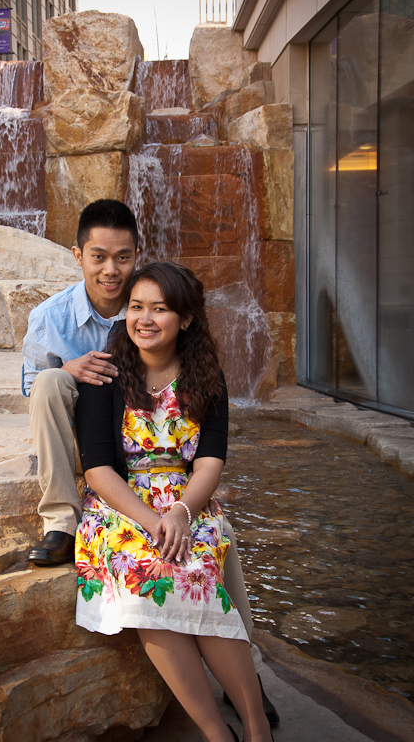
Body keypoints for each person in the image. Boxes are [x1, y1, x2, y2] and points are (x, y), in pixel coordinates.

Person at [74, 262, 274, 742]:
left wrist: (181, 513)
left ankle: (257, 728)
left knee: (196, 571)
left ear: (185, 319)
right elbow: (98, 470)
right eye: (136, 307)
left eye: (159, 309)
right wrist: (154, 521)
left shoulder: (206, 377)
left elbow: (209, 463)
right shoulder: (104, 375)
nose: (144, 319)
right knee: (148, 578)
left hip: (187, 502)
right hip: (120, 507)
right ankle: (217, 733)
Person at [22, 199, 138, 565]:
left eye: (123, 258)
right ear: (78, 256)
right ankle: (61, 524)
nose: (111, 270)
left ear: (137, 255)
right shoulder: (49, 318)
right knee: (49, 381)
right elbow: (32, 391)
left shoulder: (153, 309)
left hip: (141, 444)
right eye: (98, 257)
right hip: (81, 448)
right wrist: (68, 370)